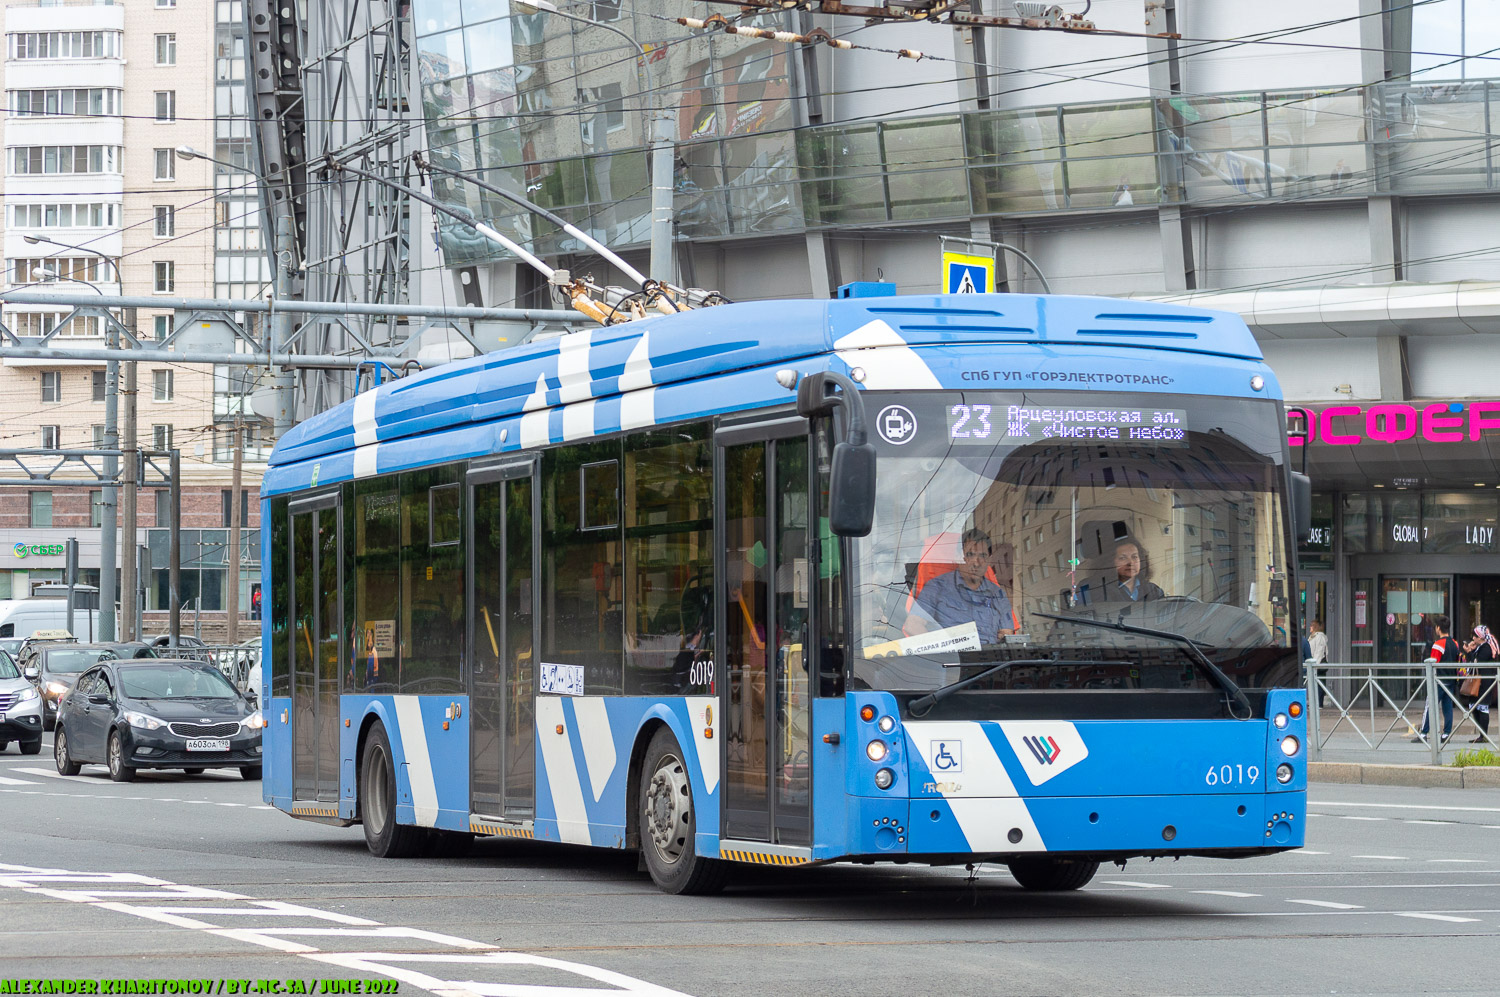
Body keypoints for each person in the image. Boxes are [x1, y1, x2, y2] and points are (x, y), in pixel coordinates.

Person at [906, 529, 1015, 643]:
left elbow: (1006, 634)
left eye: (982, 555)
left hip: (992, 659)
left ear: (989, 559)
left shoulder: (998, 594)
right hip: (951, 658)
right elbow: (912, 626)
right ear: (958, 556)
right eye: (970, 555)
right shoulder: (937, 587)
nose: (976, 563)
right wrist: (942, 650)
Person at [1414, 615, 1461, 743]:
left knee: (1430, 706)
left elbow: (1433, 663)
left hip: (1438, 680)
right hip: (1450, 680)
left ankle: (1423, 733)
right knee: (1448, 708)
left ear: (1438, 628)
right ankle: (1446, 734)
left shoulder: (1438, 644)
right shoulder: (1455, 643)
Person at [1461, 624, 1496, 741]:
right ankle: (1481, 735)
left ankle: (1483, 735)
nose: (1473, 638)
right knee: (1474, 707)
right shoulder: (1480, 647)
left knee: (1482, 708)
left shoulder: (1486, 648)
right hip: (1478, 682)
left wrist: (1469, 652)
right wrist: (1471, 649)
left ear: (1480, 637)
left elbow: (1477, 662)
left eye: (1474, 636)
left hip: (1484, 683)